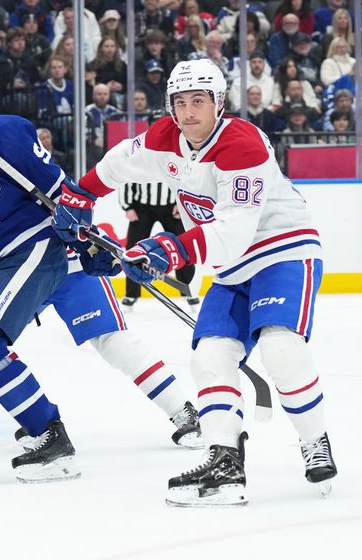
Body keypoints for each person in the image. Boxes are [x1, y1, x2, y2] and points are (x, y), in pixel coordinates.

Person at [0, 63, 203, 487]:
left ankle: (182, 409)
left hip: (54, 255)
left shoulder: (5, 134)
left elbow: (67, 196)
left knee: (109, 337)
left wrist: (92, 244)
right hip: (2, 268)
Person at [52, 58, 338, 506]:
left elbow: (233, 231)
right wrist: (80, 194)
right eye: (180, 102)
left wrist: (168, 250)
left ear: (219, 103)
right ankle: (225, 459)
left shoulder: (243, 144)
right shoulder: (165, 137)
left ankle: (314, 439)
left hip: (282, 250)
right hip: (230, 268)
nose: (188, 113)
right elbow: (118, 165)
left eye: (198, 101)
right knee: (209, 357)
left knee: (281, 349)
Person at [119, 177, 198, 310]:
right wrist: (128, 206)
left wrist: (181, 204)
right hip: (141, 207)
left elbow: (184, 177)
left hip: (172, 207)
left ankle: (188, 289)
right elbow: (128, 176)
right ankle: (131, 294)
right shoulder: (140, 156)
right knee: (134, 250)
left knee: (183, 246)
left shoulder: (173, 155)